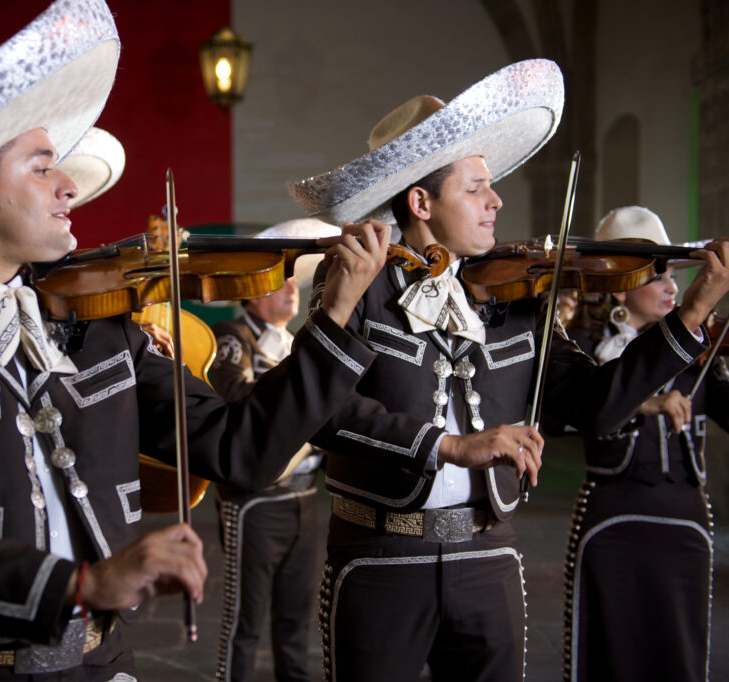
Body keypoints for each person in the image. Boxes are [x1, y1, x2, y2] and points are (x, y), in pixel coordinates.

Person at [0, 2, 391, 679]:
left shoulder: (100, 323)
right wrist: (78, 585)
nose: (69, 186)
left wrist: (332, 317)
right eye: (42, 166)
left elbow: (242, 449)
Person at [285, 59, 729, 681]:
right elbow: (323, 415)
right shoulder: (355, 288)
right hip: (382, 556)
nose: (496, 201)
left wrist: (693, 315)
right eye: (474, 189)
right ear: (421, 201)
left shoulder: (516, 296)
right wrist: (451, 446)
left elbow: (598, 405)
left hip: (489, 556)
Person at [560, 206, 729, 682]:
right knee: (612, 655)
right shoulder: (581, 347)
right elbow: (572, 417)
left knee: (679, 655)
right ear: (619, 285)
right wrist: (646, 403)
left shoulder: (697, 347)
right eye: (658, 276)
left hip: (685, 524)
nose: (674, 287)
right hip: (614, 524)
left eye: (675, 274)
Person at [208, 219, 337, 682]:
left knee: (296, 620)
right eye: (279, 286)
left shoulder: (294, 341)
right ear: (252, 294)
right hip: (255, 502)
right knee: (244, 621)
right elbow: (236, 396)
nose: (291, 293)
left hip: (303, 496)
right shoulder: (231, 335)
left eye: (293, 285)